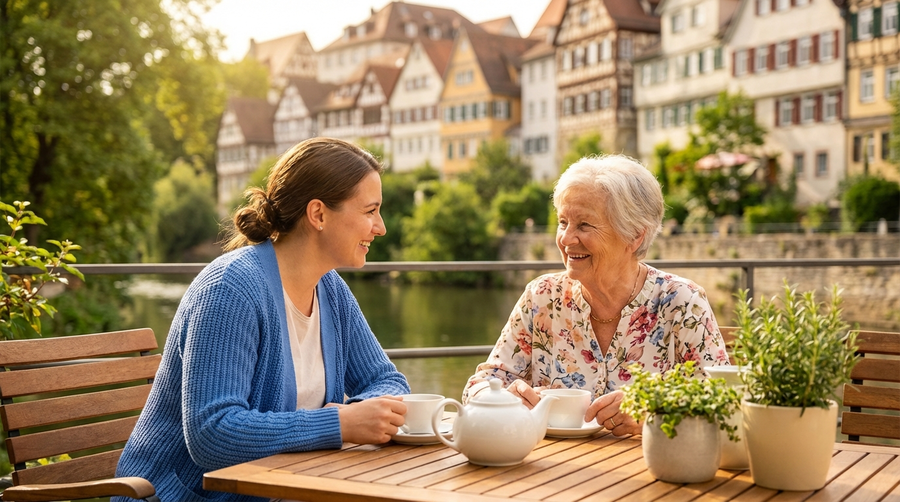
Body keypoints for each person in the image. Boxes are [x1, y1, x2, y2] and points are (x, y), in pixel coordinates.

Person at [115, 138, 411, 502]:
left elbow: (386, 380)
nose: (380, 227)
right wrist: (340, 424)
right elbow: (212, 433)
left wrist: (362, 415)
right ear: (318, 214)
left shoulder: (330, 289)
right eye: (370, 211)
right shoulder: (230, 290)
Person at [462, 154, 729, 436]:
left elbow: (724, 404)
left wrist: (655, 414)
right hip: (549, 471)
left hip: (647, 473)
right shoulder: (541, 297)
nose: (565, 239)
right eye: (563, 222)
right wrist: (506, 398)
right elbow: (477, 387)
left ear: (635, 235)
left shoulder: (683, 303)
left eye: (584, 225)